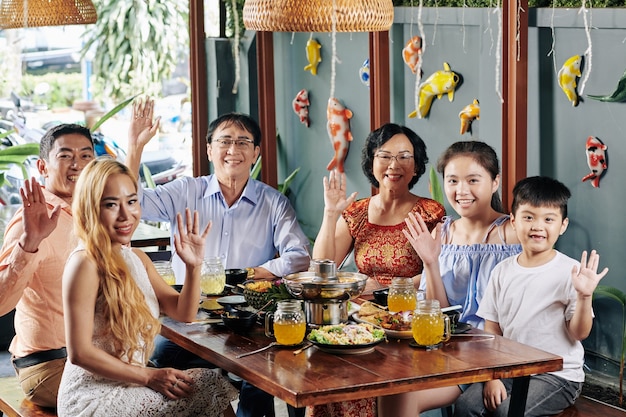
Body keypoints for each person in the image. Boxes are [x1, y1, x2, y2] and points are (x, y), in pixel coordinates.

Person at [126, 100, 311, 417]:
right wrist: (135, 147)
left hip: (248, 318)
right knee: (157, 362)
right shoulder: (185, 192)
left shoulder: (273, 202)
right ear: (209, 149)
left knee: (262, 377)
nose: (233, 149)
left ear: (255, 154)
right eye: (224, 141)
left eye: (243, 142)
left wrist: (253, 272)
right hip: (188, 315)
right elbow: (134, 200)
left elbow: (299, 256)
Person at [57, 157, 238, 416]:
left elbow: (183, 313)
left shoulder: (137, 258)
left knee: (205, 383)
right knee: (207, 386)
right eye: (111, 204)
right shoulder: (84, 263)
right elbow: (80, 353)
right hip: (91, 398)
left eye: (131, 201)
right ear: (91, 208)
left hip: (131, 383)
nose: (126, 215)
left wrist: (193, 266)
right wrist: (148, 376)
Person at [310, 123, 446, 417]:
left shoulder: (430, 212)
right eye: (384, 156)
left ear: (417, 165)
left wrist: (390, 287)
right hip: (358, 322)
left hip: (405, 324)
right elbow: (322, 267)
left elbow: (438, 269)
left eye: (404, 156)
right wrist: (331, 213)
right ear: (372, 162)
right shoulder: (357, 212)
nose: (393, 165)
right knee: (327, 378)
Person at [379, 140, 522, 416]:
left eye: (473, 180)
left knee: (405, 395)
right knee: (390, 387)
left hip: (491, 354)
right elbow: (438, 313)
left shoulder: (512, 232)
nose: (461, 191)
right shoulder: (442, 233)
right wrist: (430, 263)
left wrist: (495, 371)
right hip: (446, 347)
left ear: (495, 182)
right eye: (453, 180)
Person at [454, 176, 608, 416]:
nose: (538, 226)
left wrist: (584, 296)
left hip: (558, 376)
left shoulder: (571, 271)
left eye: (548, 219)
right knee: (465, 405)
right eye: (528, 217)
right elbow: (492, 330)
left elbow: (579, 333)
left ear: (563, 225)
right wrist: (493, 377)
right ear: (514, 221)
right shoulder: (502, 270)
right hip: (511, 370)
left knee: (506, 412)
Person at [0, 123, 95, 408]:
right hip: (52, 366)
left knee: (202, 384)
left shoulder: (90, 214)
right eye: (65, 156)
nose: (76, 165)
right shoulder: (32, 220)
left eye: (86, 156)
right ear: (42, 166)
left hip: (96, 359)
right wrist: (30, 242)